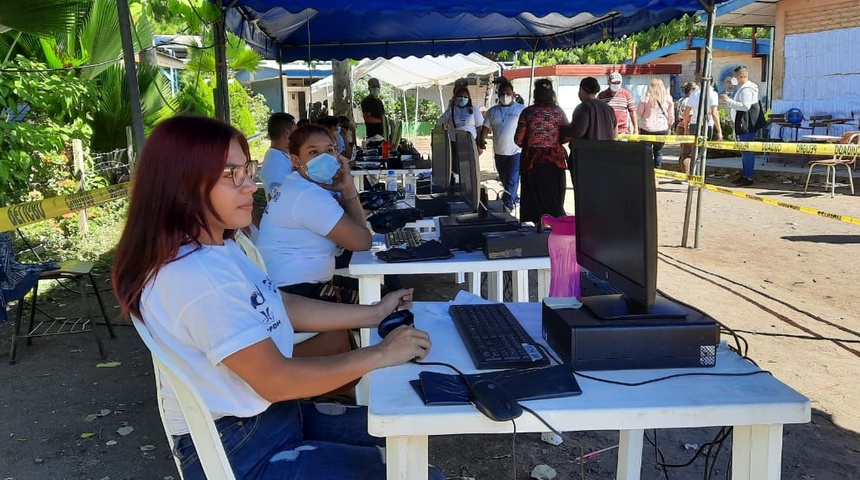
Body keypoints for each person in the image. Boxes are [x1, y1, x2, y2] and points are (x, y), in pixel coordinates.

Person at [111, 115, 442, 480]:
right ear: (180, 185)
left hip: (269, 417)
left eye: (247, 170)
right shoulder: (195, 276)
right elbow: (276, 379)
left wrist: (372, 314)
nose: (251, 185)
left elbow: (277, 304)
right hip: (243, 448)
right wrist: (380, 354)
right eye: (230, 174)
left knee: (405, 437)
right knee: (417, 471)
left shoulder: (217, 246)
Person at [256, 124, 371, 301]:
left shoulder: (299, 184)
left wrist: (348, 189)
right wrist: (348, 192)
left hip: (293, 285)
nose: (324, 158)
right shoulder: (307, 195)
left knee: (386, 294)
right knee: (388, 303)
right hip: (295, 293)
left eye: (330, 150)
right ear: (295, 160)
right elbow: (362, 241)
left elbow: (359, 230)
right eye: (313, 152)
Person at [514, 78, 570, 226]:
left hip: (532, 162)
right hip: (554, 162)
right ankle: (553, 230)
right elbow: (566, 135)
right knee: (553, 200)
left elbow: (518, 139)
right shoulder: (558, 112)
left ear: (535, 94)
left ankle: (538, 228)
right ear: (552, 93)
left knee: (534, 200)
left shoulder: (527, 112)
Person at [477, 80, 525, 211]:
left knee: (512, 179)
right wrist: (482, 140)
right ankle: (513, 197)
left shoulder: (521, 109)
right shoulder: (492, 111)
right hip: (499, 153)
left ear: (513, 94)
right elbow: (485, 128)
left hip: (516, 152)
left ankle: (508, 205)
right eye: (502, 93)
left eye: (508, 93)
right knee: (505, 180)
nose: (505, 96)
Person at [721, 66, 760, 186]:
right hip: (744, 123)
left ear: (742, 75)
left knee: (747, 151)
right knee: (744, 151)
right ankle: (745, 175)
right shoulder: (743, 88)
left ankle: (748, 177)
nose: (734, 79)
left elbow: (745, 106)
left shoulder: (746, 89)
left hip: (746, 123)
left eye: (736, 76)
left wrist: (729, 101)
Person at [439, 86, 485, 176]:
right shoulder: (451, 111)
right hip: (455, 143)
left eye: (465, 96)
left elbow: (480, 128)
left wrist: (479, 145)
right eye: (460, 96)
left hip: (470, 143)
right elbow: (440, 123)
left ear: (469, 98)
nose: (463, 98)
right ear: (455, 98)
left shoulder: (474, 110)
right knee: (456, 167)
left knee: (470, 166)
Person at [684, 82, 723, 175]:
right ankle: (699, 175)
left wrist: (686, 127)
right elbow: (714, 113)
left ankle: (694, 174)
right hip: (707, 123)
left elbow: (686, 113)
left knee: (695, 152)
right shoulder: (713, 94)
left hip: (694, 123)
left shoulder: (694, 94)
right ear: (712, 83)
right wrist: (719, 131)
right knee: (702, 152)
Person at [562, 76, 617, 142]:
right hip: (607, 151)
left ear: (581, 90)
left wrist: (561, 129)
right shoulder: (609, 109)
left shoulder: (584, 107)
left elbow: (578, 132)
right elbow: (615, 134)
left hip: (588, 151)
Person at [636, 78, 674, 168]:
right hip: (662, 128)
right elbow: (671, 116)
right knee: (658, 152)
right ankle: (657, 173)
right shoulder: (668, 98)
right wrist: (668, 126)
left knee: (646, 152)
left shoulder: (646, 97)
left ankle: (646, 171)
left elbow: (639, 112)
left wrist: (645, 118)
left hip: (647, 128)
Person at [259, 112, 296, 196]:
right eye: (295, 132)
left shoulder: (279, 157)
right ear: (287, 134)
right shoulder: (276, 164)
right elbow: (280, 197)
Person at [674, 82, 695, 174]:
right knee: (687, 153)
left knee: (683, 151)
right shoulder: (689, 101)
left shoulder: (681, 100)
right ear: (691, 91)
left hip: (680, 125)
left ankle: (682, 172)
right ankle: (686, 174)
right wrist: (687, 128)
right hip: (686, 126)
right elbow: (689, 116)